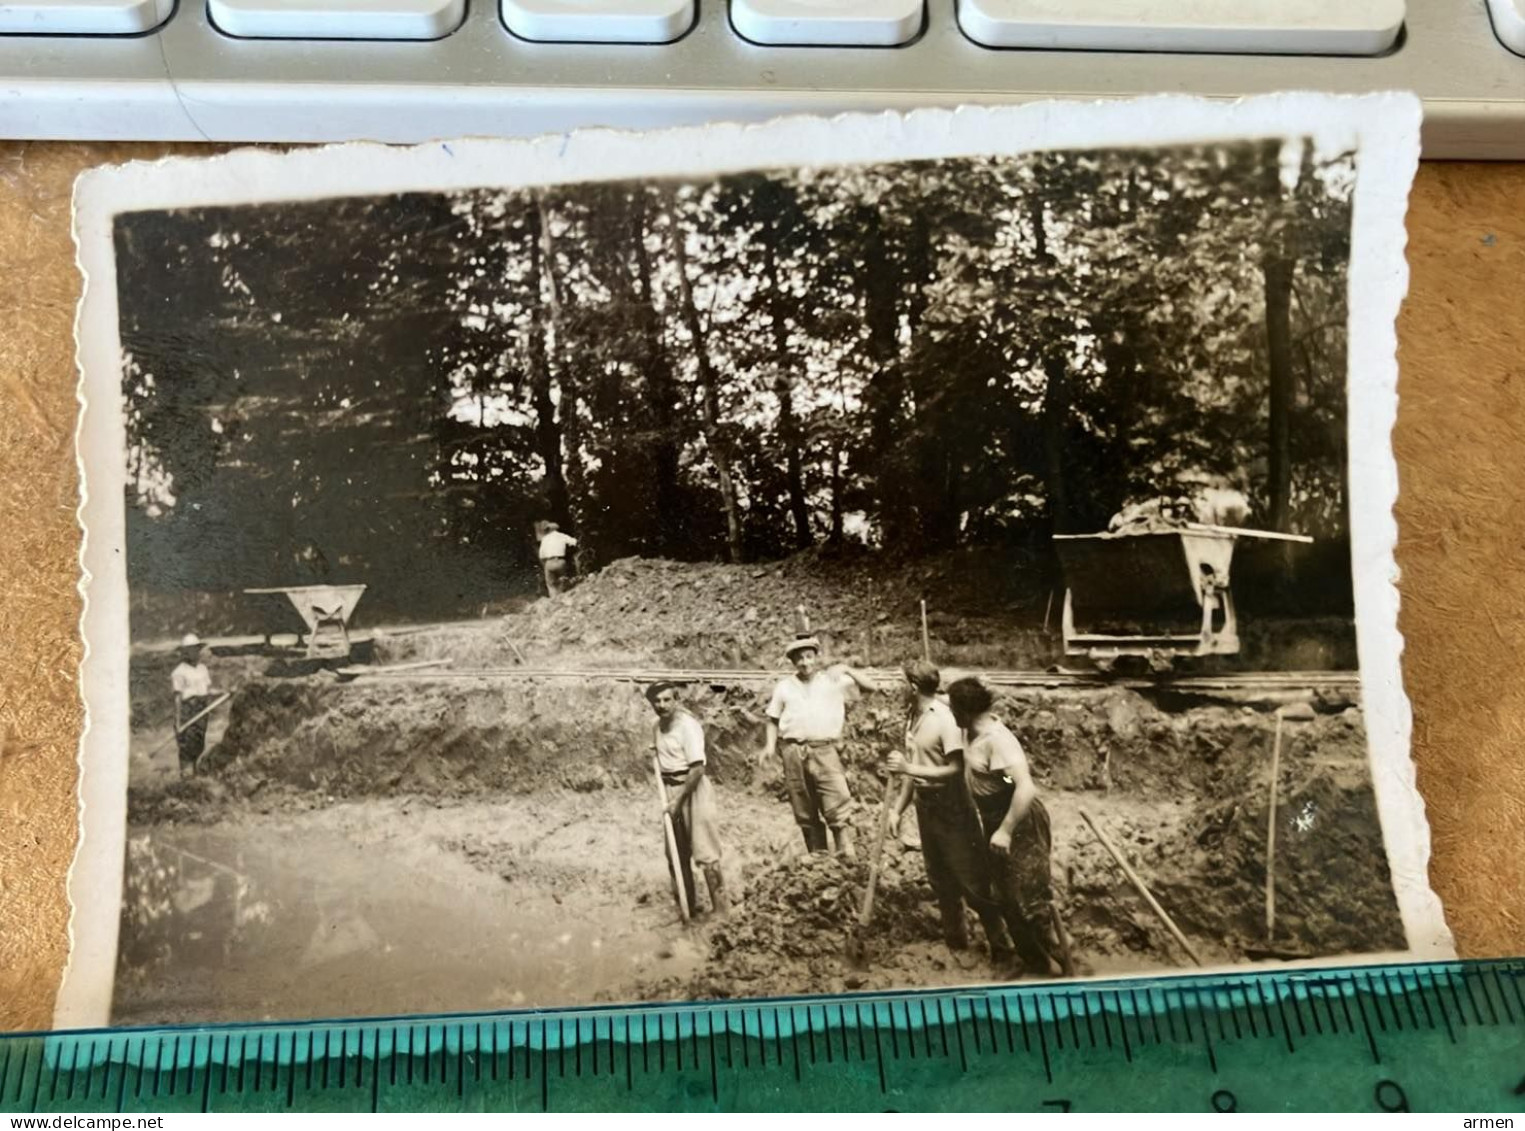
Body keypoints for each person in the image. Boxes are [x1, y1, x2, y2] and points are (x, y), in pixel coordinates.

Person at [885, 660, 1016, 968]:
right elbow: (911, 771)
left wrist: (909, 768)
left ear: (914, 687)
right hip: (925, 805)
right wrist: (897, 810)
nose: (896, 689)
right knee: (939, 878)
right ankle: (955, 942)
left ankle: (1004, 949)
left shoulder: (944, 720)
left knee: (972, 880)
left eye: (900, 683)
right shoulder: (912, 717)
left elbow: (956, 770)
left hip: (952, 807)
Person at [946, 675, 1073, 979]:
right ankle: (1037, 965)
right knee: (1004, 897)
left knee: (1029, 899)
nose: (950, 713)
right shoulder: (971, 730)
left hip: (1019, 819)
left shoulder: (997, 740)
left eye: (953, 708)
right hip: (997, 813)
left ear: (963, 712)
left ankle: (1064, 963)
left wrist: (1005, 829)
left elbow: (1025, 788)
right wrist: (1000, 783)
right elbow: (1006, 779)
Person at [759, 635, 879, 859]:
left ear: (816, 657)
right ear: (793, 662)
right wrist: (769, 745)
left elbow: (872, 686)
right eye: (799, 659)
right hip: (793, 751)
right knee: (803, 802)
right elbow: (773, 719)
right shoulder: (784, 687)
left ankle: (845, 853)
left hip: (824, 749)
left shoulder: (831, 680)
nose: (805, 663)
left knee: (836, 797)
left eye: (809, 657)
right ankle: (818, 855)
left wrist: (846, 668)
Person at [647, 682, 727, 917]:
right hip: (671, 791)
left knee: (706, 853)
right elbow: (659, 757)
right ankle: (688, 908)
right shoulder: (656, 726)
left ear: (676, 699)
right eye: (657, 701)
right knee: (675, 854)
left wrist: (678, 802)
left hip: (693, 791)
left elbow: (697, 769)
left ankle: (722, 912)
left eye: (666, 700)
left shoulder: (688, 727)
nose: (662, 705)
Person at [170, 633, 217, 778]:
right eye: (190, 649)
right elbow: (177, 698)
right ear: (184, 652)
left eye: (196, 649)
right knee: (187, 746)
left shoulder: (203, 669)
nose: (194, 652)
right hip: (188, 710)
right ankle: (186, 777)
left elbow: (208, 691)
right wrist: (178, 722)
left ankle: (194, 776)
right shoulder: (179, 672)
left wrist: (225, 692)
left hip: (202, 709)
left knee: (198, 744)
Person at [537, 521, 579, 596]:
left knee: (551, 584)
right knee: (562, 580)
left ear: (548, 530)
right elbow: (575, 542)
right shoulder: (561, 536)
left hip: (549, 562)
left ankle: (554, 599)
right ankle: (563, 597)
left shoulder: (545, 539)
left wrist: (545, 564)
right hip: (560, 561)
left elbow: (541, 555)